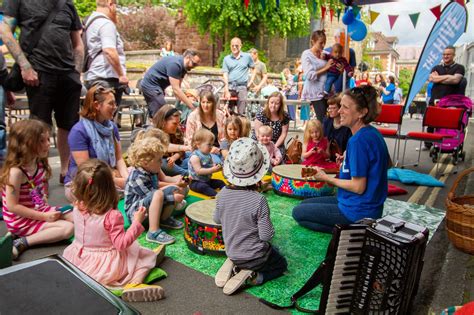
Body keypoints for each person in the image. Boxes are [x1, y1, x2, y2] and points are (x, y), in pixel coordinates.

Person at [0, 0, 84, 184]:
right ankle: (39, 174)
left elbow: (77, 42)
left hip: (68, 73)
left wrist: (77, 72)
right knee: (39, 127)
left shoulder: (67, 3)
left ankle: (66, 172)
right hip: (38, 72)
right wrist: (25, 66)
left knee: (69, 124)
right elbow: (5, 31)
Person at [63, 159, 165, 302]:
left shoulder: (77, 207)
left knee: (138, 251)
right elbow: (121, 244)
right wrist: (137, 222)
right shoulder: (112, 216)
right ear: (110, 188)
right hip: (107, 265)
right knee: (143, 259)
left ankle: (148, 258)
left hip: (79, 258)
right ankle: (134, 284)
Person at [292, 86, 389, 233]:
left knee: (298, 213)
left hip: (357, 211)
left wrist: (326, 178)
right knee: (304, 204)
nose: (339, 111)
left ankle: (352, 231)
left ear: (362, 112)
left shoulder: (358, 141)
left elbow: (358, 187)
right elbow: (386, 163)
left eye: (345, 107)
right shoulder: (373, 133)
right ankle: (351, 229)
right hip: (366, 206)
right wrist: (349, 159)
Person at [214, 137, 287, 295]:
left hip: (231, 250)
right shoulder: (259, 200)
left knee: (245, 247)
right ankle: (256, 276)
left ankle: (234, 262)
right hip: (255, 258)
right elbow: (266, 235)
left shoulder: (222, 194)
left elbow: (217, 219)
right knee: (281, 263)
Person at [0, 120, 74, 260]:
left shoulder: (38, 162)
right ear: (26, 144)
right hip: (20, 219)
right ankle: (22, 242)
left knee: (76, 215)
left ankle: (23, 235)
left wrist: (43, 202)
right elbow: (12, 206)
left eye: (47, 139)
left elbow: (36, 191)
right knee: (67, 229)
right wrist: (44, 217)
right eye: (42, 141)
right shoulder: (16, 172)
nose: (48, 144)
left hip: (37, 210)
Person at [64, 86, 128, 202]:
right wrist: (119, 181)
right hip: (86, 180)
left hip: (108, 174)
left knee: (139, 173)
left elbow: (119, 159)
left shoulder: (112, 127)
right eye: (111, 104)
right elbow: (87, 170)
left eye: (115, 104)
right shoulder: (79, 131)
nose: (115, 107)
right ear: (96, 105)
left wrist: (126, 178)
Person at [125, 137, 185, 245]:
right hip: (136, 214)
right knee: (160, 193)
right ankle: (153, 231)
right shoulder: (137, 176)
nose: (161, 163)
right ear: (146, 162)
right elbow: (153, 196)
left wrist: (174, 187)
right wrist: (172, 198)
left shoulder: (152, 170)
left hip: (148, 208)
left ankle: (164, 219)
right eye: (159, 160)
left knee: (173, 189)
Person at [83, 0, 129, 128]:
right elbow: (109, 50)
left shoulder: (90, 22)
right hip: (106, 78)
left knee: (96, 122)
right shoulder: (106, 23)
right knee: (105, 123)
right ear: (110, 3)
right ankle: (107, 147)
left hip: (93, 76)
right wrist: (121, 75)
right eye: (116, 5)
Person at [140, 49, 201, 119]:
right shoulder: (175, 65)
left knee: (159, 113)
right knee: (162, 112)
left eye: (196, 65)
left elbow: (178, 89)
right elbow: (176, 90)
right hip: (150, 85)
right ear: (187, 58)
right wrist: (192, 107)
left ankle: (154, 126)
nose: (194, 67)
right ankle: (156, 128)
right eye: (194, 64)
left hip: (158, 86)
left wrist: (184, 102)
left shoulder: (184, 68)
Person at [301, 30, 334, 123]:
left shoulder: (326, 55)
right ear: (313, 42)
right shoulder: (306, 54)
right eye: (320, 43)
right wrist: (326, 67)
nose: (323, 45)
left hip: (328, 92)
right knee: (323, 121)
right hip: (315, 93)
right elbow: (309, 75)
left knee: (330, 120)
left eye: (324, 42)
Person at [185, 90, 225, 164]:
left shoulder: (220, 115)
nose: (205, 105)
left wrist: (220, 150)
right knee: (216, 163)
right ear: (200, 103)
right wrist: (208, 149)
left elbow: (224, 138)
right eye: (203, 102)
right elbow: (190, 141)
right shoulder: (193, 116)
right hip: (200, 151)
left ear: (213, 103)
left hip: (219, 150)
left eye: (208, 102)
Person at [153, 105, 192, 176]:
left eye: (178, 123)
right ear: (163, 122)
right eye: (174, 123)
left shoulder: (177, 131)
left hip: (177, 161)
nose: (177, 126)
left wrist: (175, 157)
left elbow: (182, 151)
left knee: (195, 154)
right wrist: (184, 147)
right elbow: (164, 146)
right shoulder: (154, 132)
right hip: (162, 164)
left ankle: (193, 170)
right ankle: (189, 174)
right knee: (163, 163)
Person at [188, 129, 226, 197]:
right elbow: (198, 171)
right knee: (203, 187)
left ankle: (226, 191)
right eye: (209, 144)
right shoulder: (195, 157)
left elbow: (210, 165)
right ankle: (216, 195)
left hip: (207, 180)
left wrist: (217, 167)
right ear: (198, 144)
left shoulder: (208, 155)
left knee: (220, 182)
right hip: (196, 182)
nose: (211, 147)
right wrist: (212, 170)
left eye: (212, 144)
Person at [222, 37, 254, 115]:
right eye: (232, 45)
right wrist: (226, 89)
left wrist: (251, 81)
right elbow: (225, 74)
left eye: (236, 45)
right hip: (230, 86)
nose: (234, 47)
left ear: (240, 46)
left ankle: (241, 123)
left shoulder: (247, 57)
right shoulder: (226, 59)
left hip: (242, 86)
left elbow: (254, 69)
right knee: (228, 111)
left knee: (241, 112)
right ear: (230, 46)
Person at [252, 92, 290, 156]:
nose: (273, 105)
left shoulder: (285, 116)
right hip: (260, 141)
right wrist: (264, 147)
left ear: (280, 105)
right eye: (271, 102)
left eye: (277, 103)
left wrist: (274, 147)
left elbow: (283, 134)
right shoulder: (261, 114)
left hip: (276, 143)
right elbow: (257, 133)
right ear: (268, 102)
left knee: (279, 156)